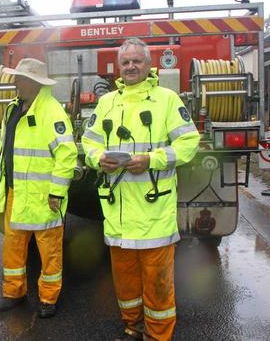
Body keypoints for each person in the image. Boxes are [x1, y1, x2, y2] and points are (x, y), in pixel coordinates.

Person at [81, 38, 200, 341]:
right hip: (118, 213)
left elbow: (188, 144)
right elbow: (90, 141)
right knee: (125, 282)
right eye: (126, 62)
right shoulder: (107, 102)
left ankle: (158, 335)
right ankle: (132, 326)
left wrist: (151, 160)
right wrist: (98, 160)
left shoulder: (167, 100)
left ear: (149, 65)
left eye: (137, 61)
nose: (131, 66)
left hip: (154, 213)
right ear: (118, 67)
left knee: (158, 282)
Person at [0, 58, 78, 318]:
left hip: (44, 197)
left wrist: (56, 192)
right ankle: (13, 292)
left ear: (32, 83)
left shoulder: (51, 111)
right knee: (13, 247)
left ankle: (48, 298)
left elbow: (66, 154)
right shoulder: (14, 108)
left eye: (19, 78)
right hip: (15, 192)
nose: (15, 82)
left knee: (49, 251)